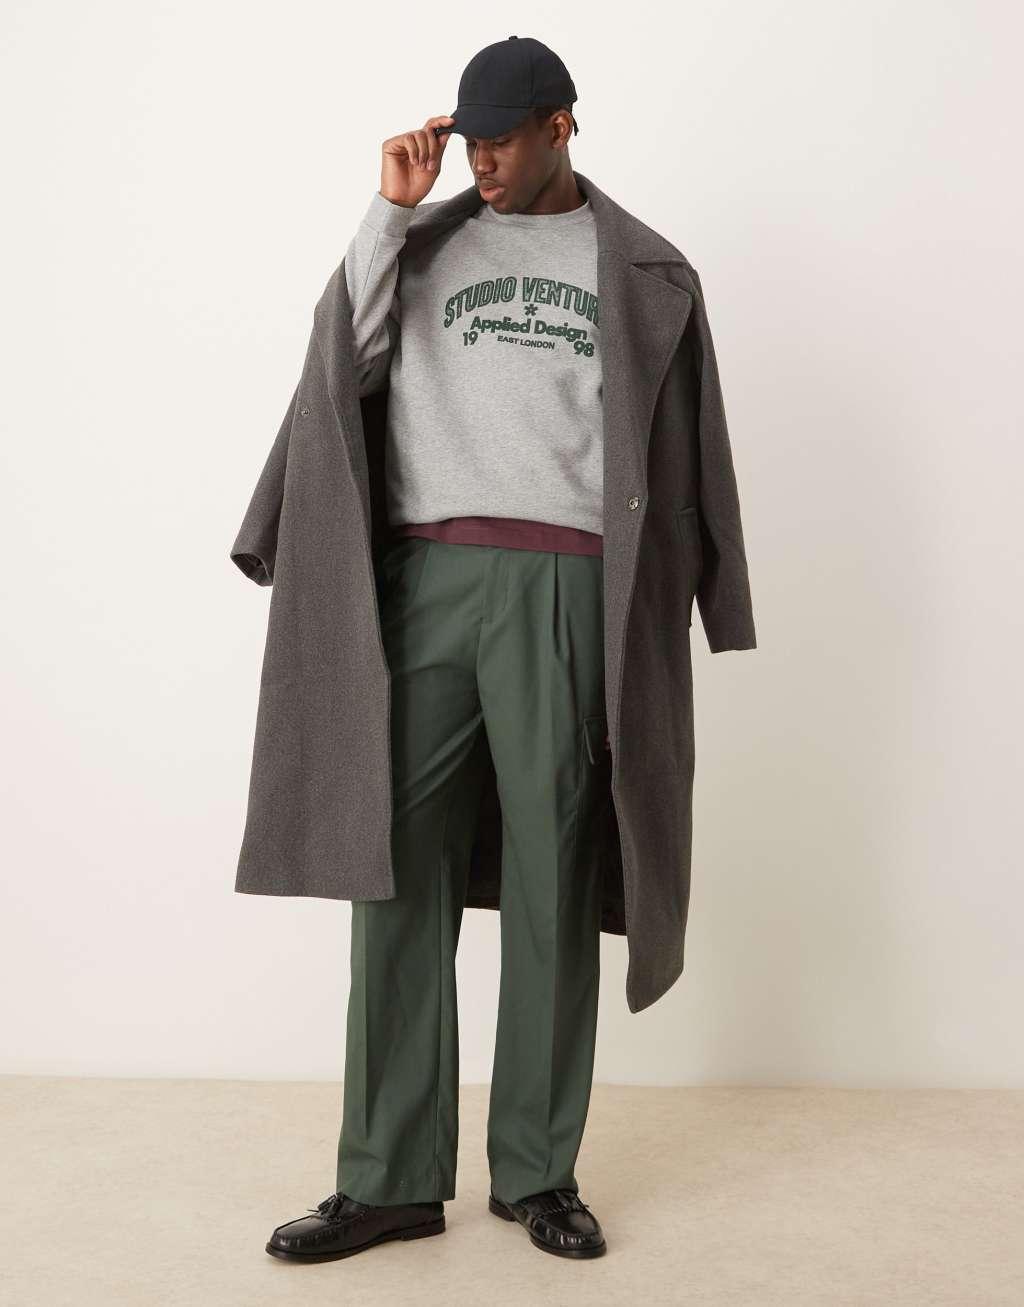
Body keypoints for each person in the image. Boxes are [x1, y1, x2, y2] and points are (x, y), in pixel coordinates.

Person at [254, 33, 755, 1266]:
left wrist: (718, 598)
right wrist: (389, 208)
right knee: (392, 872)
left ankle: (537, 1170)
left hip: (570, 587)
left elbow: (693, 444)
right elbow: (338, 365)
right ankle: (386, 1177)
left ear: (560, 127)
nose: (480, 161)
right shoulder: (419, 246)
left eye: (501, 141)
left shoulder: (642, 268)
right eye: (468, 140)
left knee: (553, 874)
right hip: (424, 579)